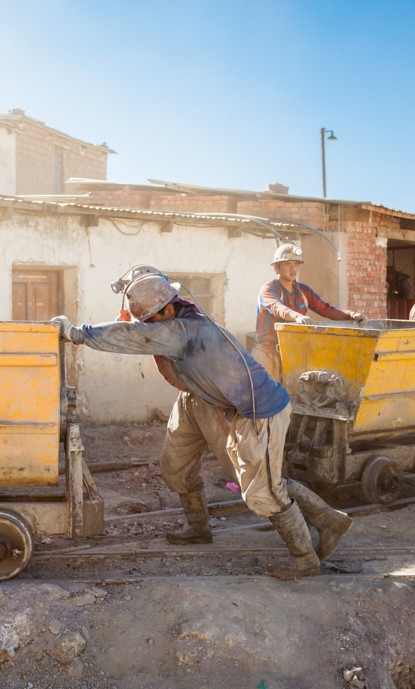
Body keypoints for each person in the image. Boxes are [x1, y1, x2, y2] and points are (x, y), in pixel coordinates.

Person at [50, 268, 352, 579]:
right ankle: (205, 527)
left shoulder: (185, 331)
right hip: (213, 401)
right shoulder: (178, 324)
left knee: (262, 492)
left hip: (261, 411)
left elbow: (134, 337)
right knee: (183, 467)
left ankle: (306, 556)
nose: (148, 330)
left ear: (168, 309)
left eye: (150, 322)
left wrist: (77, 333)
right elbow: (144, 340)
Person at [254, 244, 366, 383]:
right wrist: (298, 316)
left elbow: (325, 309)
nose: (293, 268)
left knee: (292, 397)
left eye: (296, 264)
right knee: (264, 398)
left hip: (292, 353)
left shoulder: (303, 291)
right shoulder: (268, 289)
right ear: (276, 268)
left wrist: (350, 315)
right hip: (268, 353)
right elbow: (277, 307)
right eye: (288, 264)